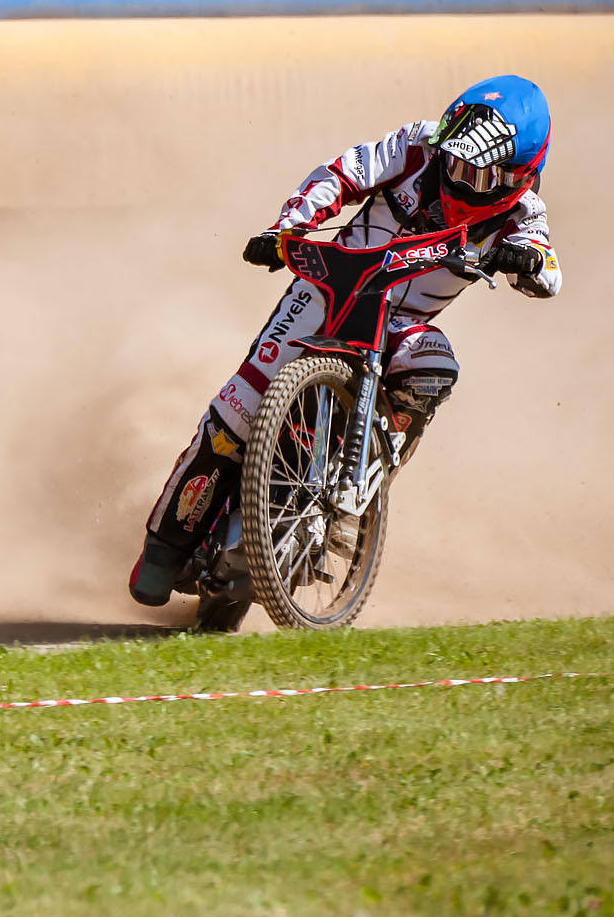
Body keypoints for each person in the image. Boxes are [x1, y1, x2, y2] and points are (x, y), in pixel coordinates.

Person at [127, 76, 563, 609]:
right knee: (235, 413)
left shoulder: (523, 214)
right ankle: (163, 547)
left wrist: (526, 263)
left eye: (478, 172)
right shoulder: (416, 144)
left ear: (520, 174)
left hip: (400, 325)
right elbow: (340, 175)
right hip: (328, 291)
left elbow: (546, 269)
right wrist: (286, 229)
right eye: (454, 161)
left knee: (436, 367)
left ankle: (361, 485)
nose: (459, 176)